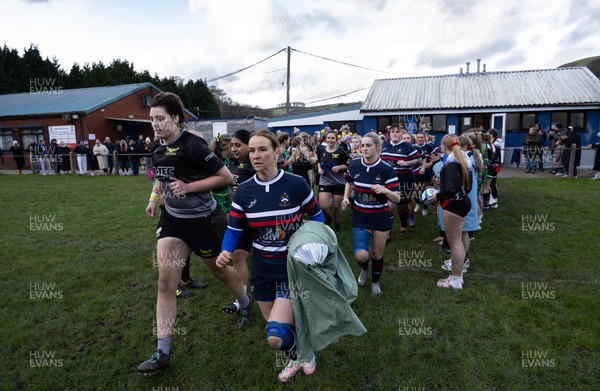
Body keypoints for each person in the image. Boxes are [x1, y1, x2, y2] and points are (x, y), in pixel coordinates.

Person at [137, 92, 245, 374]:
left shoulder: (194, 145)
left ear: (175, 118)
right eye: (152, 120)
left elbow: (225, 177)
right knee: (165, 283)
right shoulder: (157, 149)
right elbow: (161, 180)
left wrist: (188, 188)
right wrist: (153, 198)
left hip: (203, 220)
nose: (156, 125)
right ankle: (162, 352)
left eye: (161, 118)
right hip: (173, 220)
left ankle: (245, 301)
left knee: (220, 272)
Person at [216, 129, 323, 383]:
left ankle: (303, 351)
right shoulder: (244, 191)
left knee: (275, 337)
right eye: (251, 150)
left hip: (291, 270)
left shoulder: (296, 184)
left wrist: (317, 246)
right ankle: (302, 351)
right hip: (262, 271)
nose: (255, 155)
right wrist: (225, 250)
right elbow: (234, 228)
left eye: (262, 149)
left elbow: (317, 216)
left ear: (277, 152)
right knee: (277, 328)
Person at [341, 132, 400, 294]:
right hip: (361, 216)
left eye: (368, 145)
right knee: (360, 256)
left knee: (376, 254)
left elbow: (398, 198)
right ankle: (365, 268)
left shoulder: (386, 169)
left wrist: (385, 190)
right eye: (362, 145)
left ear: (377, 147)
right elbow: (350, 182)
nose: (364, 148)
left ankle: (375, 282)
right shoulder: (354, 164)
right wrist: (346, 197)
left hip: (380, 218)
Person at [425, 134, 472, 289]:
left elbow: (454, 187)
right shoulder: (463, 158)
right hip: (462, 202)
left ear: (444, 147)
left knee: (455, 242)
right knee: (460, 238)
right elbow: (466, 186)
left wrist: (438, 195)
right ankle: (456, 275)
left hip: (454, 205)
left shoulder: (451, 162)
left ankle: (456, 280)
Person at [380, 125, 420, 235]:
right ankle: (388, 233)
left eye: (397, 132)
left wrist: (407, 163)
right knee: (387, 207)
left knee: (402, 207)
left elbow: (418, 160)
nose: (395, 133)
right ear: (389, 133)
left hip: (405, 180)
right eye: (392, 131)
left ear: (401, 134)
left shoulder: (407, 146)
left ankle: (403, 224)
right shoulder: (385, 146)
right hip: (389, 181)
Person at [317, 129, 349, 233]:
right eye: (328, 138)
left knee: (336, 207)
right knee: (323, 206)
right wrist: (319, 168)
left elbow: (348, 164)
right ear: (326, 139)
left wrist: (339, 167)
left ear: (336, 139)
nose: (330, 140)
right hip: (325, 181)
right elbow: (318, 161)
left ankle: (337, 227)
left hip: (338, 182)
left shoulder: (341, 151)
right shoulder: (321, 149)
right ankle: (329, 218)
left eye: (332, 138)